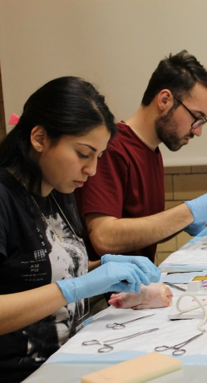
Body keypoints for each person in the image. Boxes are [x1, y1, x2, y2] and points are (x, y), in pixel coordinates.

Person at [0, 77, 160, 382]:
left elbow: (38, 267)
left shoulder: (58, 191)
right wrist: (73, 289)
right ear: (39, 138)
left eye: (99, 157)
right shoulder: (5, 198)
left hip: (73, 355)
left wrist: (102, 268)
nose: (92, 170)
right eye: (83, 154)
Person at [75, 51, 207, 263]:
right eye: (196, 118)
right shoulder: (112, 149)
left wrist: (185, 221)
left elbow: (141, 229)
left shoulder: (151, 151)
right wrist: (188, 212)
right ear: (165, 100)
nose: (197, 131)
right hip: (109, 293)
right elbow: (105, 237)